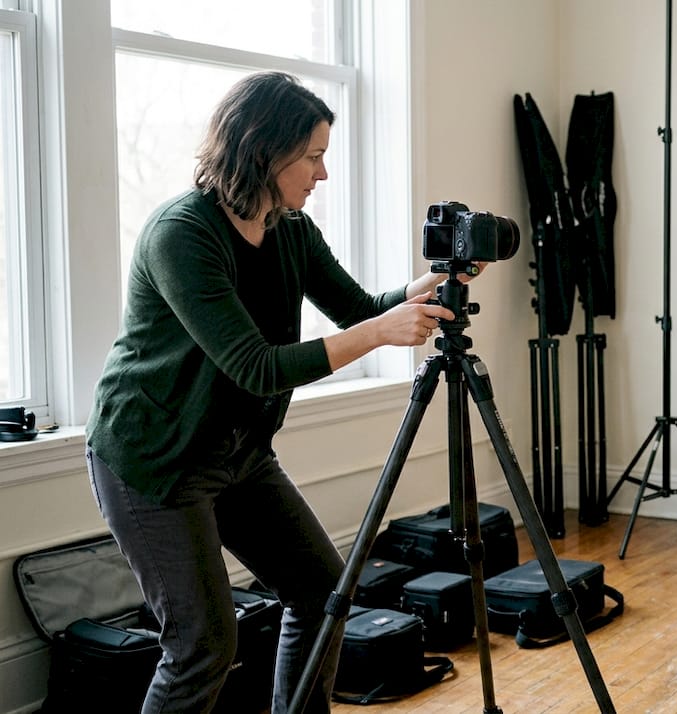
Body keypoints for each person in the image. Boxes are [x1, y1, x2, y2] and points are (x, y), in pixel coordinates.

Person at [85, 71, 469, 712]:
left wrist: (423, 289)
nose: (322, 174)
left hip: (236, 452)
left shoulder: (289, 227)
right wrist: (379, 334)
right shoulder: (182, 233)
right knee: (202, 643)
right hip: (155, 456)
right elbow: (256, 366)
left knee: (323, 593)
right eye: (313, 156)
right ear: (265, 151)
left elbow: (355, 307)